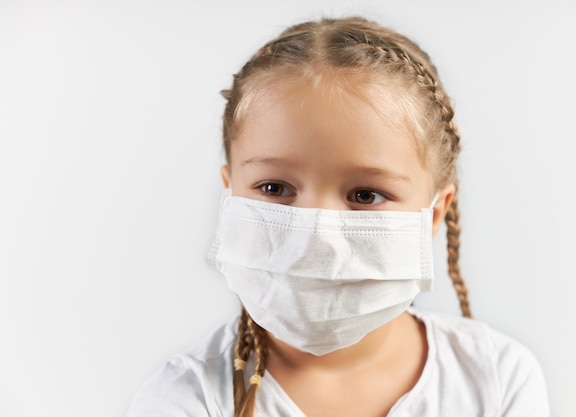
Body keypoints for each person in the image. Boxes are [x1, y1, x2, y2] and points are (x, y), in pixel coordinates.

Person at [126, 16, 550, 417]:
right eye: (275, 188)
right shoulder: (185, 398)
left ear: (433, 214)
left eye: (365, 194)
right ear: (230, 194)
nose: (318, 235)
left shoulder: (498, 380)